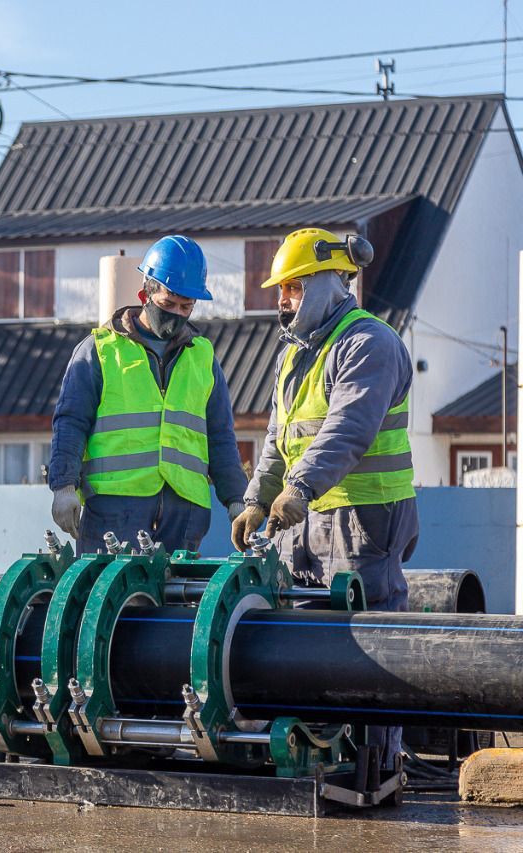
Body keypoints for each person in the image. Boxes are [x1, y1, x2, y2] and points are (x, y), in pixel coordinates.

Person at [230, 227, 417, 768]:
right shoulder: (293, 357)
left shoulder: (368, 344)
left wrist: (298, 490)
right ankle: (319, 761)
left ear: (333, 281)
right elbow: (277, 440)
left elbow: (346, 430)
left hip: (363, 518)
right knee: (308, 641)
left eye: (294, 286)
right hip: (307, 517)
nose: (283, 300)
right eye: (281, 289)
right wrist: (255, 501)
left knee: (370, 645)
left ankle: (377, 767)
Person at [48, 235, 248, 556]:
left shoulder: (203, 357)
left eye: (186, 307)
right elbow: (70, 423)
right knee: (109, 600)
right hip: (114, 509)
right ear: (145, 294)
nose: (177, 313)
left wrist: (237, 499)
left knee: (177, 604)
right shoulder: (99, 350)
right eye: (168, 304)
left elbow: (220, 436)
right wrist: (63, 487)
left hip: (184, 512)